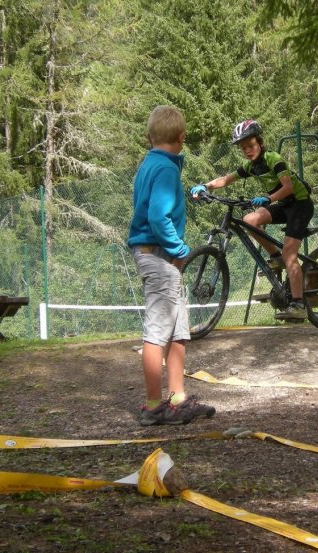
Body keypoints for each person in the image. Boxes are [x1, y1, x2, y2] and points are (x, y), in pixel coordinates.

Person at [128, 105, 215, 426]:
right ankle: (154, 407)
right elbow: (157, 216)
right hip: (158, 256)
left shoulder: (150, 164)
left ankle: (177, 398)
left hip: (160, 257)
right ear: (182, 137)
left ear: (151, 136)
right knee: (157, 333)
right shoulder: (164, 168)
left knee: (177, 330)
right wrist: (179, 248)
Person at [191, 119, 314, 321]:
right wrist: (205, 186)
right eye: (243, 148)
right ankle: (276, 257)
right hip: (284, 205)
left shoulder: (273, 158)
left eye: (251, 145)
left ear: (260, 143)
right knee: (249, 219)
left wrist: (268, 198)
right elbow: (225, 179)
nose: (247, 151)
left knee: (290, 253)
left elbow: (289, 187)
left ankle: (299, 304)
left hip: (300, 205)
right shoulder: (251, 166)